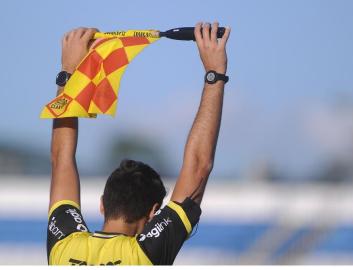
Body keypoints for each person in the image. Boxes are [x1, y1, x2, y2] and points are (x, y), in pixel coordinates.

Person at [47, 22, 231, 265]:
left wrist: (68, 71)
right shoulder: (145, 254)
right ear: (154, 213)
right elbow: (197, 166)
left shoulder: (64, 246)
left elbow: (61, 158)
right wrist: (215, 74)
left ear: (103, 204)